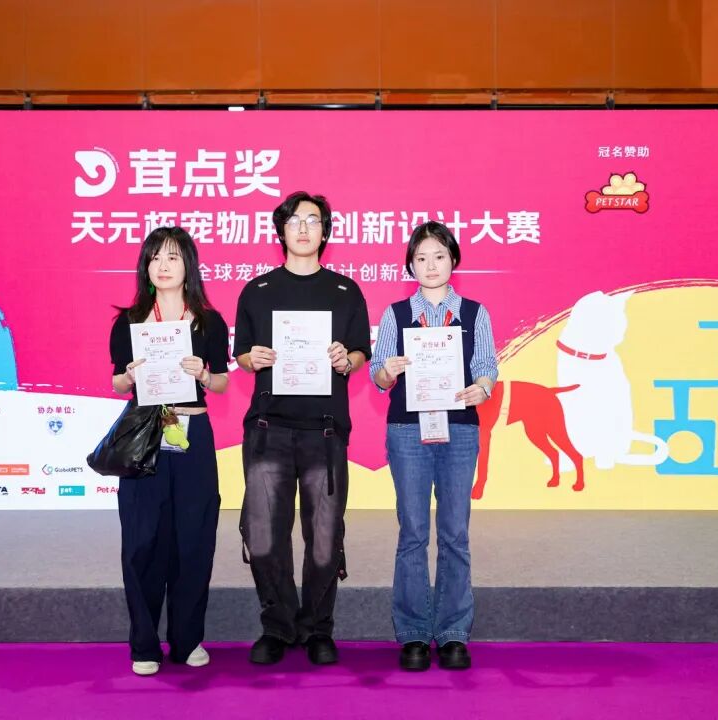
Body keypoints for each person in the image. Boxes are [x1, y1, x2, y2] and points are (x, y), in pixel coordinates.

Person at [233, 190, 372, 665]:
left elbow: (360, 352)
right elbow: (242, 354)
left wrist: (346, 360)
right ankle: (277, 626)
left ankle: (317, 628)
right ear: (281, 231)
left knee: (325, 535)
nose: (304, 228)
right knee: (264, 534)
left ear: (325, 231)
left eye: (313, 220)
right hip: (268, 429)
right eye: (294, 221)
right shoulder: (257, 290)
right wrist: (252, 358)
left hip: (324, 431)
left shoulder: (345, 291)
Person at [370, 221, 498, 671]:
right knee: (412, 532)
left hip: (459, 428)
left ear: (453, 261)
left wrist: (483, 388)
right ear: (410, 265)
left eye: (439, 256)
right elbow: (378, 376)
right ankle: (412, 633)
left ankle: (453, 632)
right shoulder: (396, 315)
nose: (430, 265)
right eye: (421, 258)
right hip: (408, 429)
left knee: (455, 532)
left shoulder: (475, 314)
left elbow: (487, 366)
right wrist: (388, 371)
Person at [108, 226, 230, 676]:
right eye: (155, 257)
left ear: (188, 266)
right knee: (142, 539)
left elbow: (222, 382)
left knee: (194, 538)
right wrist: (129, 376)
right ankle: (144, 644)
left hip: (192, 435)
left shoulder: (209, 321)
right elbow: (116, 381)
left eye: (173, 257)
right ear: (146, 266)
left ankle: (187, 638)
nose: (163, 265)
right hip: (145, 436)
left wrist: (204, 375)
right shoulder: (130, 321)